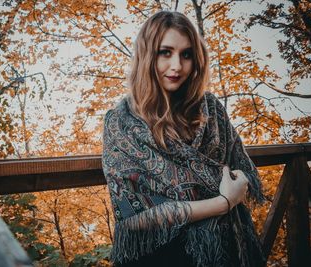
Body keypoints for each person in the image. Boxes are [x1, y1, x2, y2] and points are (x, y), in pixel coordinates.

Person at [102, 11, 266, 267]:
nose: (177, 65)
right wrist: (223, 203)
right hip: (159, 255)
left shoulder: (211, 109)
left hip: (226, 250)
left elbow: (242, 171)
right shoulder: (120, 122)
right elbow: (133, 215)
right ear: (147, 55)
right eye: (165, 52)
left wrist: (240, 183)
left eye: (186, 54)